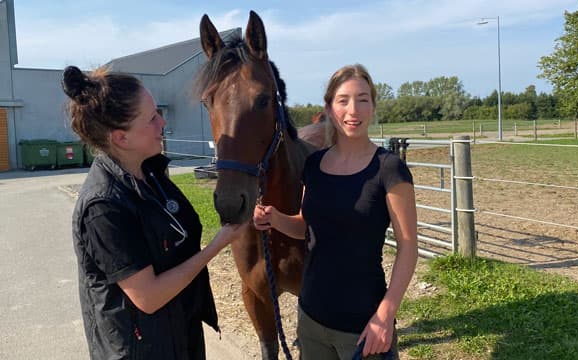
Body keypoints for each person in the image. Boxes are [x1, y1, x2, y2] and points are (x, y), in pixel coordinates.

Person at [62, 65, 239, 359]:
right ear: (121, 139)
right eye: (152, 118)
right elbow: (148, 296)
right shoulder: (103, 207)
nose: (162, 123)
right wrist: (219, 244)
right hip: (142, 349)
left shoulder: (151, 174)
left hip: (179, 334)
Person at [253, 64, 417, 359]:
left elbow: (408, 247)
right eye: (343, 100)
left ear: (373, 106)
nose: (353, 110)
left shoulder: (389, 169)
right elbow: (306, 225)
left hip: (364, 327)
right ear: (329, 107)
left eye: (363, 99)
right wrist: (275, 218)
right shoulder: (314, 166)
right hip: (311, 318)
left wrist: (385, 314)